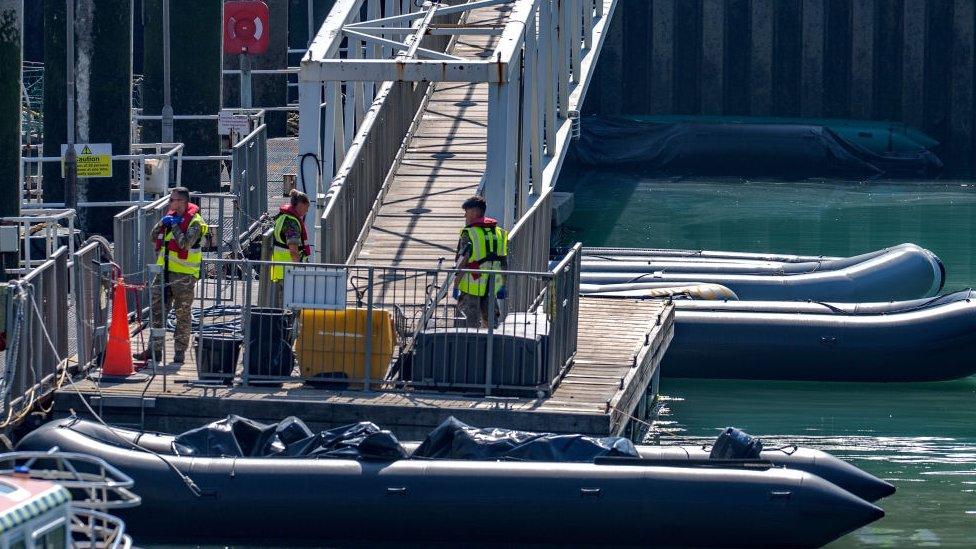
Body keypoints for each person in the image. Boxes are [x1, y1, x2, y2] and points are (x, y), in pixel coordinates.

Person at [134, 187, 209, 364]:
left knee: (182, 313)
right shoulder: (169, 217)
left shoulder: (196, 222)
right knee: (157, 312)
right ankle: (154, 350)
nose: (169, 202)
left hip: (184, 276)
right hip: (163, 273)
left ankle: (179, 352)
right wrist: (162, 223)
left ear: (182, 202)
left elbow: (185, 244)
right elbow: (153, 237)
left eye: (173, 200)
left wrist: (174, 224)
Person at [452, 195, 508, 328]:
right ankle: (490, 348)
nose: (465, 216)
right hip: (492, 285)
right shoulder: (499, 233)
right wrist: (502, 285)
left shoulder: (468, 233)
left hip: (471, 285)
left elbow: (461, 262)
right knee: (491, 324)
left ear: (475, 212)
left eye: (467, 212)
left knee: (466, 325)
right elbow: (503, 262)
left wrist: (455, 285)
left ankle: (466, 348)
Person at [270, 189, 312, 305]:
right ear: (300, 204)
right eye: (306, 207)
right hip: (289, 270)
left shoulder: (282, 216)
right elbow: (293, 250)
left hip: (280, 268)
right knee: (291, 302)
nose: (307, 211)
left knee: (281, 302)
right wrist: (298, 268)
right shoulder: (292, 223)